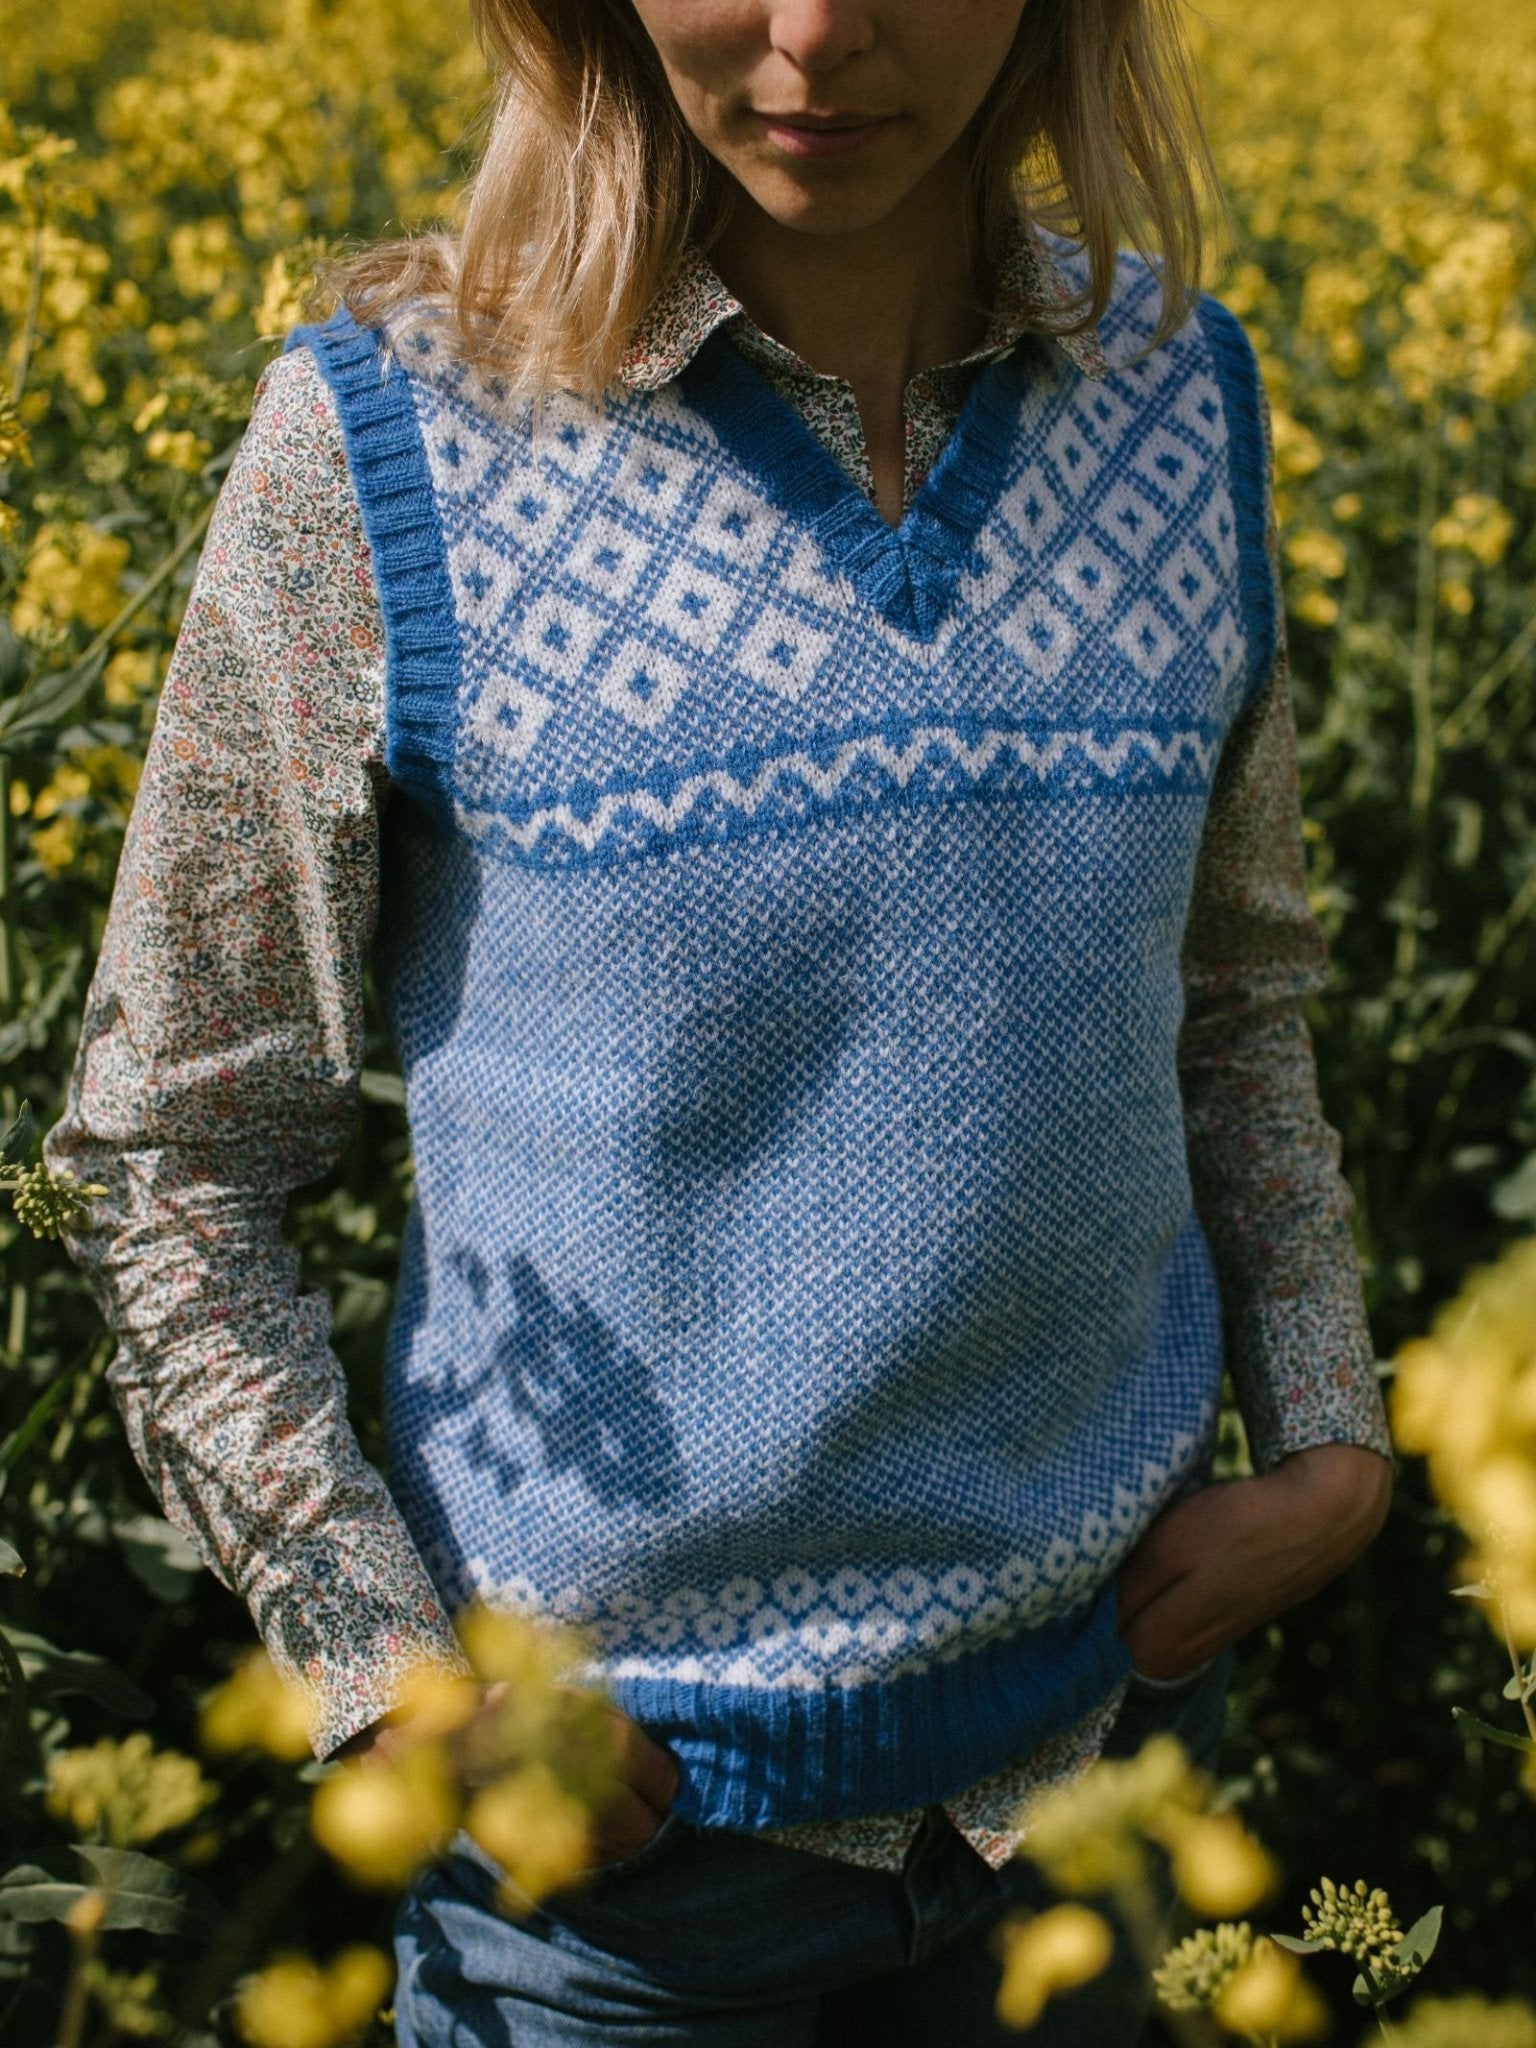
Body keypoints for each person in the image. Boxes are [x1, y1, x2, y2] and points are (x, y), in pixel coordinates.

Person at [47, 0, 1395, 2040]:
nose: (815, 33)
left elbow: (1234, 1004)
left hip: (1096, 1800)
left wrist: (1334, 1439)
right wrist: (388, 1674)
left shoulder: (1177, 400)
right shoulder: (391, 438)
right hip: (606, 1904)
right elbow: (173, 1154)